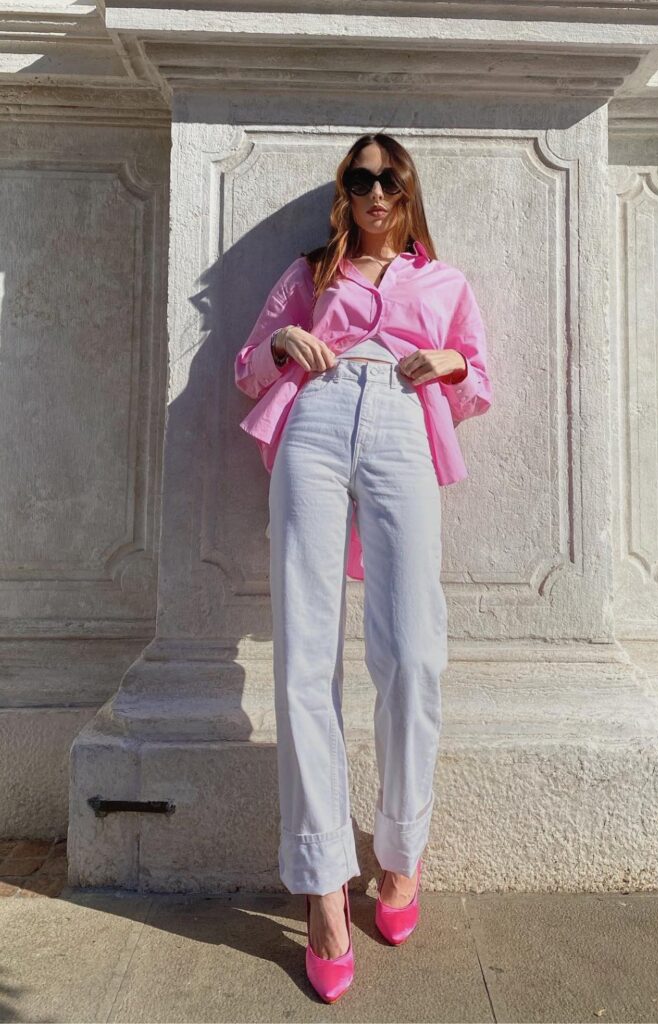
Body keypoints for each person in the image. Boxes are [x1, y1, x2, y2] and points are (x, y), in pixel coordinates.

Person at [234, 132, 492, 1002]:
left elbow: (478, 374)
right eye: (359, 178)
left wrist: (448, 359)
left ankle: (399, 853)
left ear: (407, 192)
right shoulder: (310, 275)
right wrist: (285, 349)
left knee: (412, 654)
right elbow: (246, 361)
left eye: (388, 179)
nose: (374, 191)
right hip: (314, 422)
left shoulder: (442, 280)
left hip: (400, 424)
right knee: (307, 658)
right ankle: (319, 887)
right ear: (343, 191)